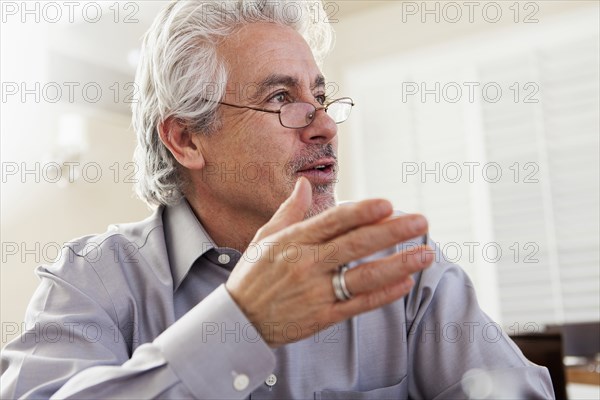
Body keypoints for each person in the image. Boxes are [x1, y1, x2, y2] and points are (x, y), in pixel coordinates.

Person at [1, 1, 554, 398]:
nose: (325, 126)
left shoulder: (399, 265)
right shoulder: (92, 281)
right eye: (282, 98)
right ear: (187, 138)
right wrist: (243, 324)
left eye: (321, 95)